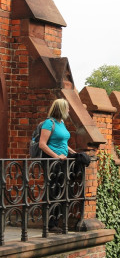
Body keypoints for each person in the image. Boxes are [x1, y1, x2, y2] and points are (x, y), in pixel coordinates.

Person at [39, 99, 76, 232]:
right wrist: (56, 156)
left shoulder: (61, 123)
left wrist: (73, 153)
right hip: (52, 162)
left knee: (60, 191)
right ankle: (50, 224)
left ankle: (55, 221)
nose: (69, 110)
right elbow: (42, 144)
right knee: (53, 191)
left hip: (62, 162)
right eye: (67, 108)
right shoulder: (49, 123)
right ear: (60, 109)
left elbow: (64, 142)